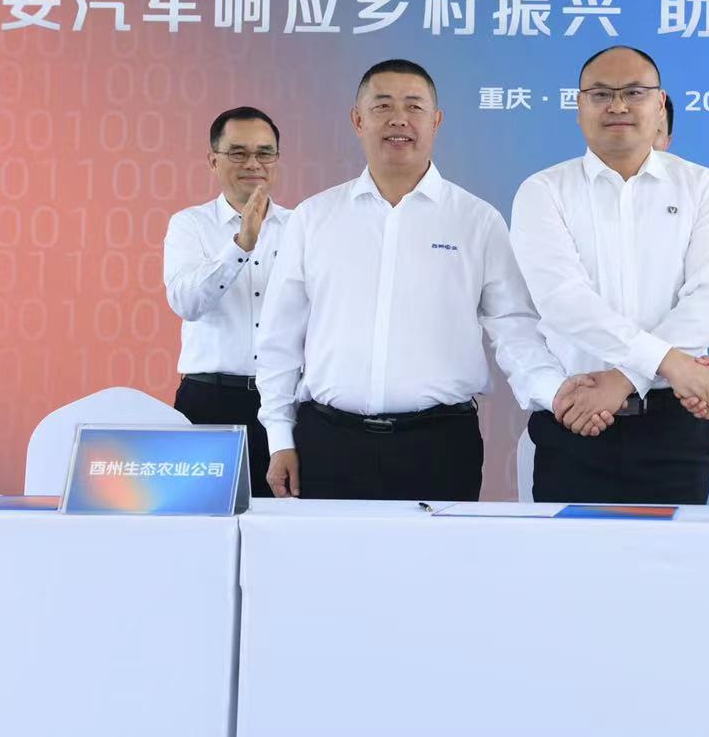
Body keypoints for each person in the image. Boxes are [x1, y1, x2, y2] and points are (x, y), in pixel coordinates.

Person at [255, 60, 566, 500]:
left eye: (414, 106)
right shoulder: (313, 217)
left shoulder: (477, 221)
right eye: (382, 106)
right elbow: (278, 339)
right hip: (327, 441)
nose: (399, 119)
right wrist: (279, 438)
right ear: (358, 120)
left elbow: (515, 328)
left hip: (439, 446)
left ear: (435, 121)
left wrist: (555, 394)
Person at [510, 46, 709, 504]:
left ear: (659, 103)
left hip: (672, 423)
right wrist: (665, 362)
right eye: (600, 94)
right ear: (579, 106)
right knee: (568, 550)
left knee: (672, 550)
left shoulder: (701, 186)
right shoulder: (543, 191)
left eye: (634, 92)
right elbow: (564, 301)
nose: (617, 106)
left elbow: (707, 304)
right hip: (576, 418)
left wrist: (624, 380)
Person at [163, 106, 287, 498]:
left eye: (264, 153)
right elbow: (187, 303)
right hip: (209, 401)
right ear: (213, 160)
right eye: (238, 152)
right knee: (199, 514)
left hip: (285, 403)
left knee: (287, 518)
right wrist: (241, 246)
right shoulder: (190, 225)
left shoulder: (301, 226)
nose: (253, 163)